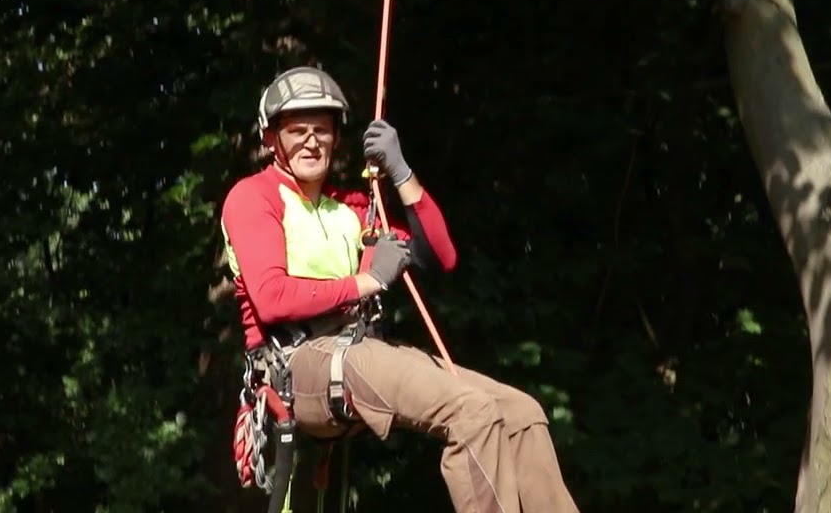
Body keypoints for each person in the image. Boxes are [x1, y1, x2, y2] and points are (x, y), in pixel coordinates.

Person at [220, 66, 581, 513]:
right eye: (297, 131)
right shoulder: (253, 197)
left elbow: (439, 255)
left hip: (359, 350)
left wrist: (402, 172)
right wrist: (367, 281)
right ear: (270, 139)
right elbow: (272, 299)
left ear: (336, 138)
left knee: (520, 414)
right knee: (471, 412)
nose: (311, 142)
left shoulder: (352, 207)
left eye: (322, 131)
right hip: (297, 362)